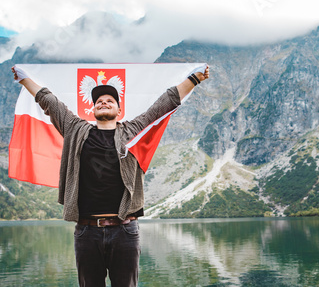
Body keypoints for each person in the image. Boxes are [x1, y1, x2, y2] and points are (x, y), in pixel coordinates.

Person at [12, 64, 210, 286]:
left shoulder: (132, 130)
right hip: (86, 231)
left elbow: (164, 104)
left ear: (118, 110)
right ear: (93, 110)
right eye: (98, 101)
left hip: (125, 230)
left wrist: (194, 79)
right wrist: (24, 79)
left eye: (109, 101)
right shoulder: (76, 129)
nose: (103, 102)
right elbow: (50, 102)